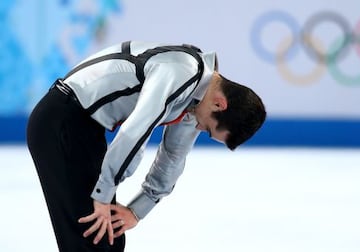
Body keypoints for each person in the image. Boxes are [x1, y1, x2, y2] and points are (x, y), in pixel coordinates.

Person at [26, 40, 266, 252]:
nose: (200, 129)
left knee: (109, 239)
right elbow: (135, 131)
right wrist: (103, 194)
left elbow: (173, 155)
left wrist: (138, 209)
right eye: (209, 129)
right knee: (93, 239)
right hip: (61, 121)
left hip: (83, 128)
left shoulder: (198, 98)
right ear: (220, 104)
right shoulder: (181, 71)